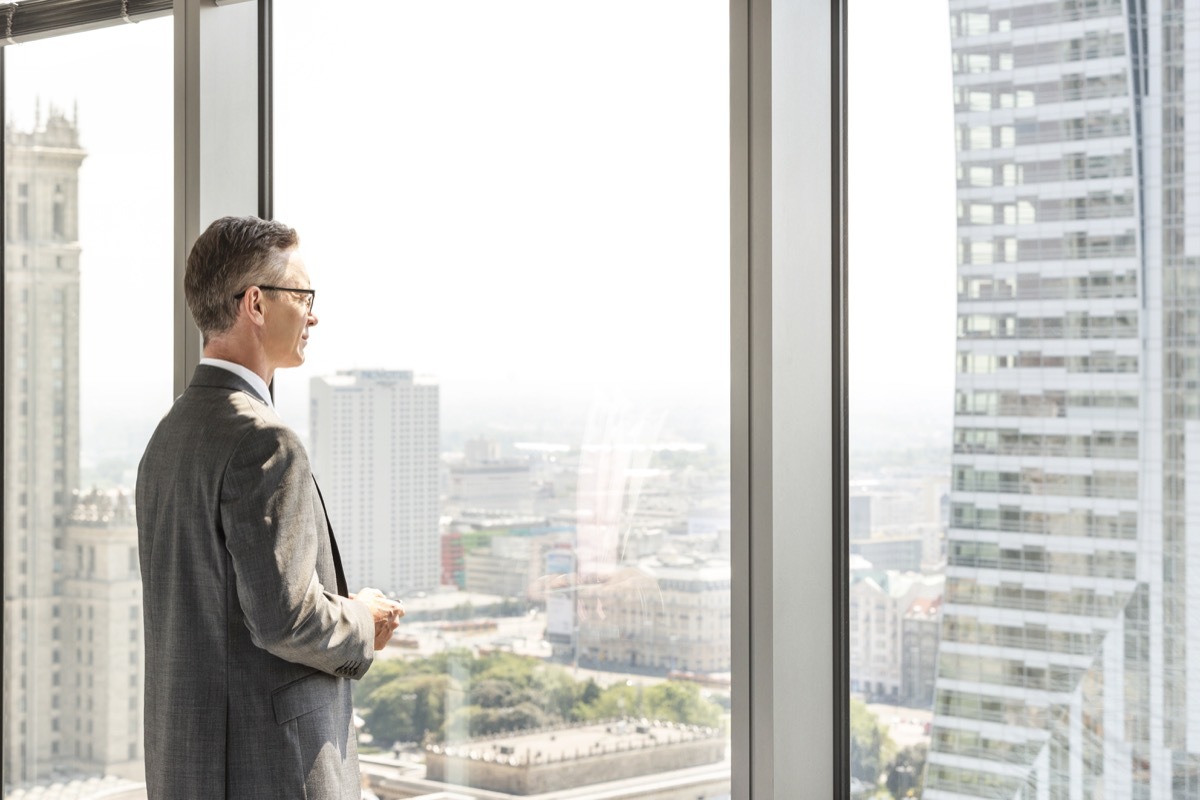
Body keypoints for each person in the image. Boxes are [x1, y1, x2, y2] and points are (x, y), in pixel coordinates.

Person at [136, 215, 404, 800]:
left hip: (187, 765)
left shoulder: (169, 435)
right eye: (304, 295)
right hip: (269, 770)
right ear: (255, 304)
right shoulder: (263, 440)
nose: (314, 313)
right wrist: (364, 619)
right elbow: (284, 619)